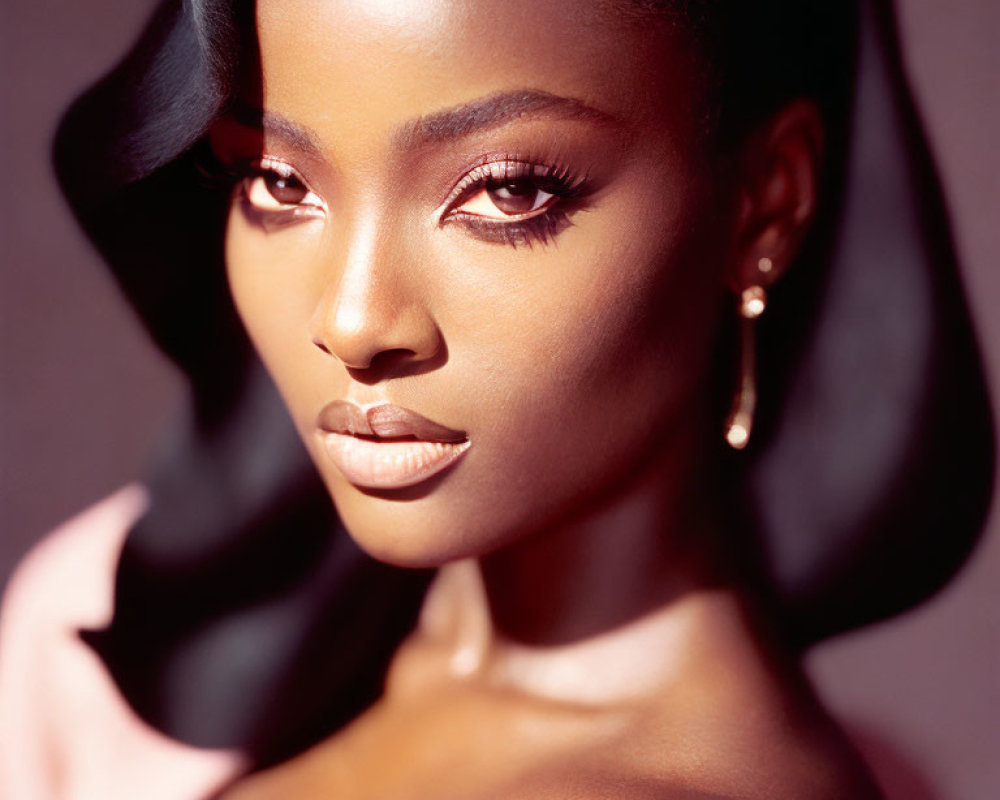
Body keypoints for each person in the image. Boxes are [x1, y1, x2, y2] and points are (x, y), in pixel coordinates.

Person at [0, 1, 993, 798]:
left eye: (509, 190)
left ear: (762, 203)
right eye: (276, 180)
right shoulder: (94, 622)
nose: (351, 321)